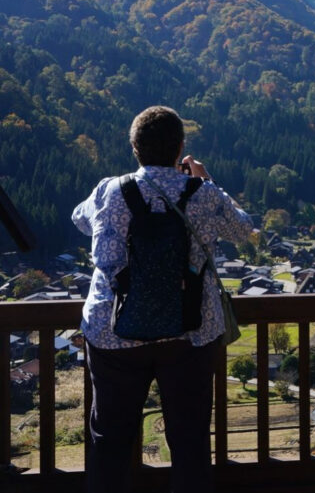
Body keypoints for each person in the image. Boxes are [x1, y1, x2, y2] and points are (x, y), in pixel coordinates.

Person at [73, 105, 252, 493]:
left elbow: (81, 219)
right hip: (189, 334)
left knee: (110, 441)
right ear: (180, 148)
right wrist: (206, 180)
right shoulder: (202, 194)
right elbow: (243, 229)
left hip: (113, 333)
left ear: (134, 147)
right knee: (189, 442)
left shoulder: (109, 190)